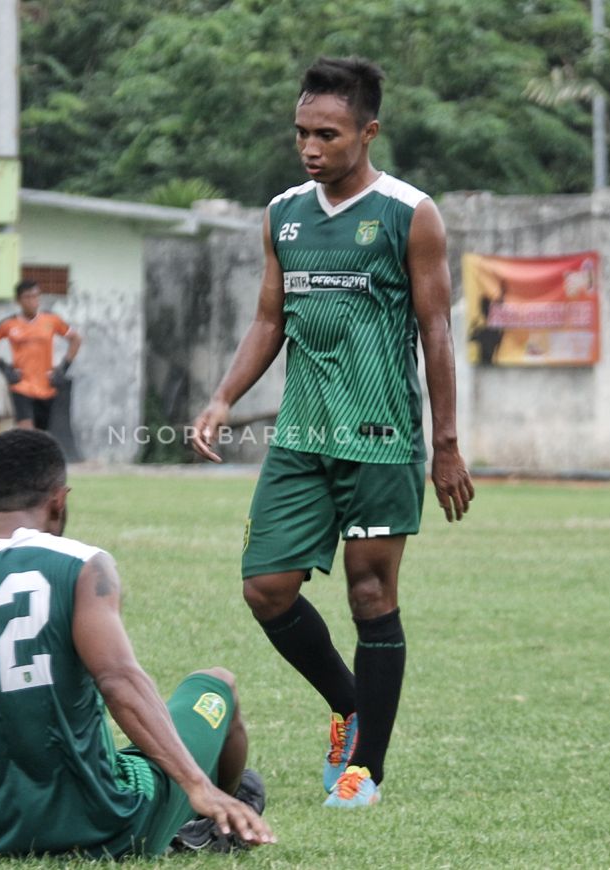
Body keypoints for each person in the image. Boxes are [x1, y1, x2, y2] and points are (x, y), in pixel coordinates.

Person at [190, 57, 475, 809]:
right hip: (301, 438)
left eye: (328, 133)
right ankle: (351, 706)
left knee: (371, 596)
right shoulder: (284, 212)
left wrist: (445, 444)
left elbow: (436, 330)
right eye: (301, 133)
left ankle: (364, 770)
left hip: (380, 437)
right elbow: (268, 319)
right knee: (265, 589)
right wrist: (222, 397)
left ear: (368, 132)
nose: (311, 147)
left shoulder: (410, 213)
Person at [0, 429, 274, 859]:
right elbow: (119, 680)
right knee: (217, 685)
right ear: (59, 500)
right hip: (109, 827)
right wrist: (198, 785)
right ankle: (221, 819)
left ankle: (208, 809)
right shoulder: (82, 565)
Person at [0, 279, 81, 431]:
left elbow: (76, 339)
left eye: (36, 296)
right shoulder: (9, 324)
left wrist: (64, 368)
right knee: (26, 431)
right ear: (18, 300)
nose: (33, 301)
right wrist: (4, 367)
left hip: (46, 386)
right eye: (28, 297)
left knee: (41, 436)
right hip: (21, 385)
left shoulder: (51, 320)